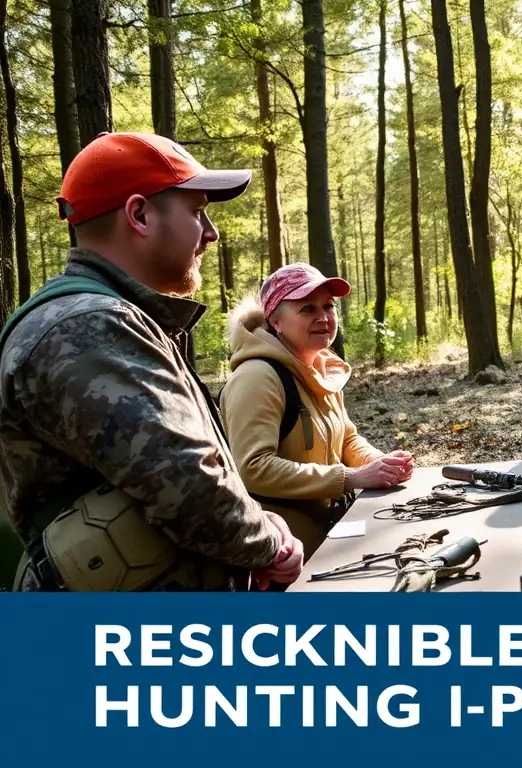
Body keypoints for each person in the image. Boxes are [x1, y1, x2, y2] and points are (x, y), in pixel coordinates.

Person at [0, 131, 303, 591]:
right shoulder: (85, 326)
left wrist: (257, 522)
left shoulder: (108, 318)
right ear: (139, 214)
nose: (211, 233)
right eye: (197, 211)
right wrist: (268, 545)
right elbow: (184, 483)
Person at [219, 263, 414, 560]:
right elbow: (253, 469)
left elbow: (347, 438)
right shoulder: (257, 377)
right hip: (282, 555)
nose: (323, 317)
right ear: (276, 321)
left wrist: (380, 464)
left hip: (333, 539)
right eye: (307, 309)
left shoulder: (320, 370)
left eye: (328, 306)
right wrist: (352, 478)